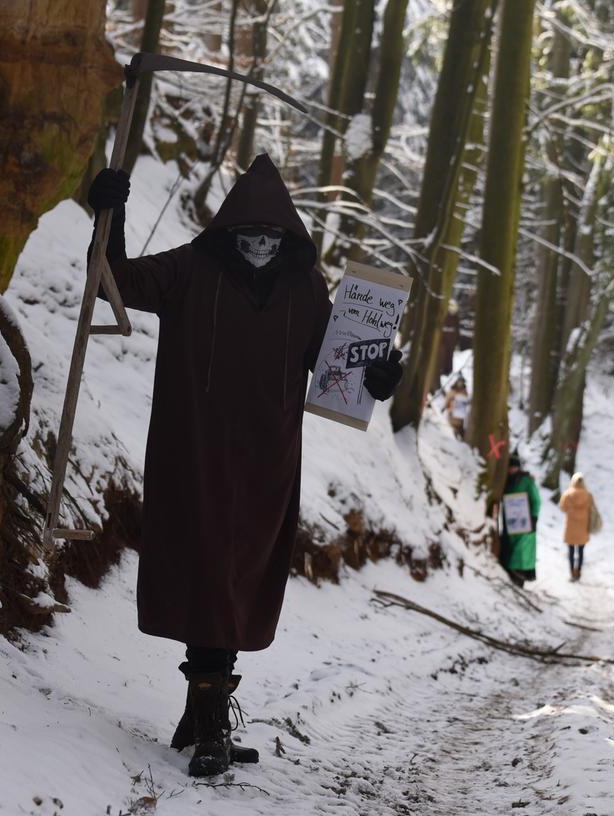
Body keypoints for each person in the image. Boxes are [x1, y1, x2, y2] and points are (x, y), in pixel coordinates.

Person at [86, 156, 405, 777]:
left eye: (271, 239)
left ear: (288, 242)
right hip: (194, 450)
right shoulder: (188, 269)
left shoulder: (306, 292)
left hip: (267, 459)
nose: (259, 248)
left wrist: (379, 376)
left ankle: (201, 711)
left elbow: (335, 368)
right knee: (208, 570)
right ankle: (209, 725)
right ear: (228, 234)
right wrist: (110, 210)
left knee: (238, 578)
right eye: (248, 237)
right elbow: (113, 281)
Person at [498, 453, 540, 586]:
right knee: (509, 547)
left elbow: (536, 500)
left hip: (525, 523)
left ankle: (519, 579)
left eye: (514, 467)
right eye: (510, 467)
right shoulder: (505, 480)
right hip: (509, 521)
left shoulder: (526, 481)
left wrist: (534, 517)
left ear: (518, 468)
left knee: (522, 551)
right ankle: (509, 575)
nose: (512, 470)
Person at [558, 473, 601, 581]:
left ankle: (572, 572)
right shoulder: (588, 495)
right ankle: (579, 572)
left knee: (571, 551)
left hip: (571, 528)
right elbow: (593, 508)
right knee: (581, 551)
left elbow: (562, 508)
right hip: (583, 527)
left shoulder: (568, 494)